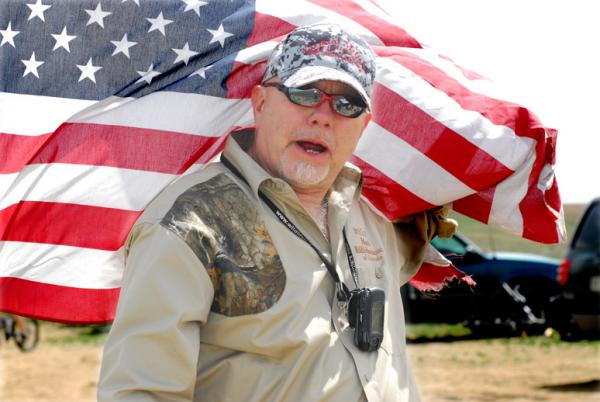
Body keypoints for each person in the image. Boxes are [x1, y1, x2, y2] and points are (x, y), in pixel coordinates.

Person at [98, 23, 455, 402]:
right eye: (304, 93)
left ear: (363, 126)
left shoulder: (374, 214)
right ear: (261, 102)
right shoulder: (188, 224)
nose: (323, 116)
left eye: (346, 105)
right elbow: (141, 392)